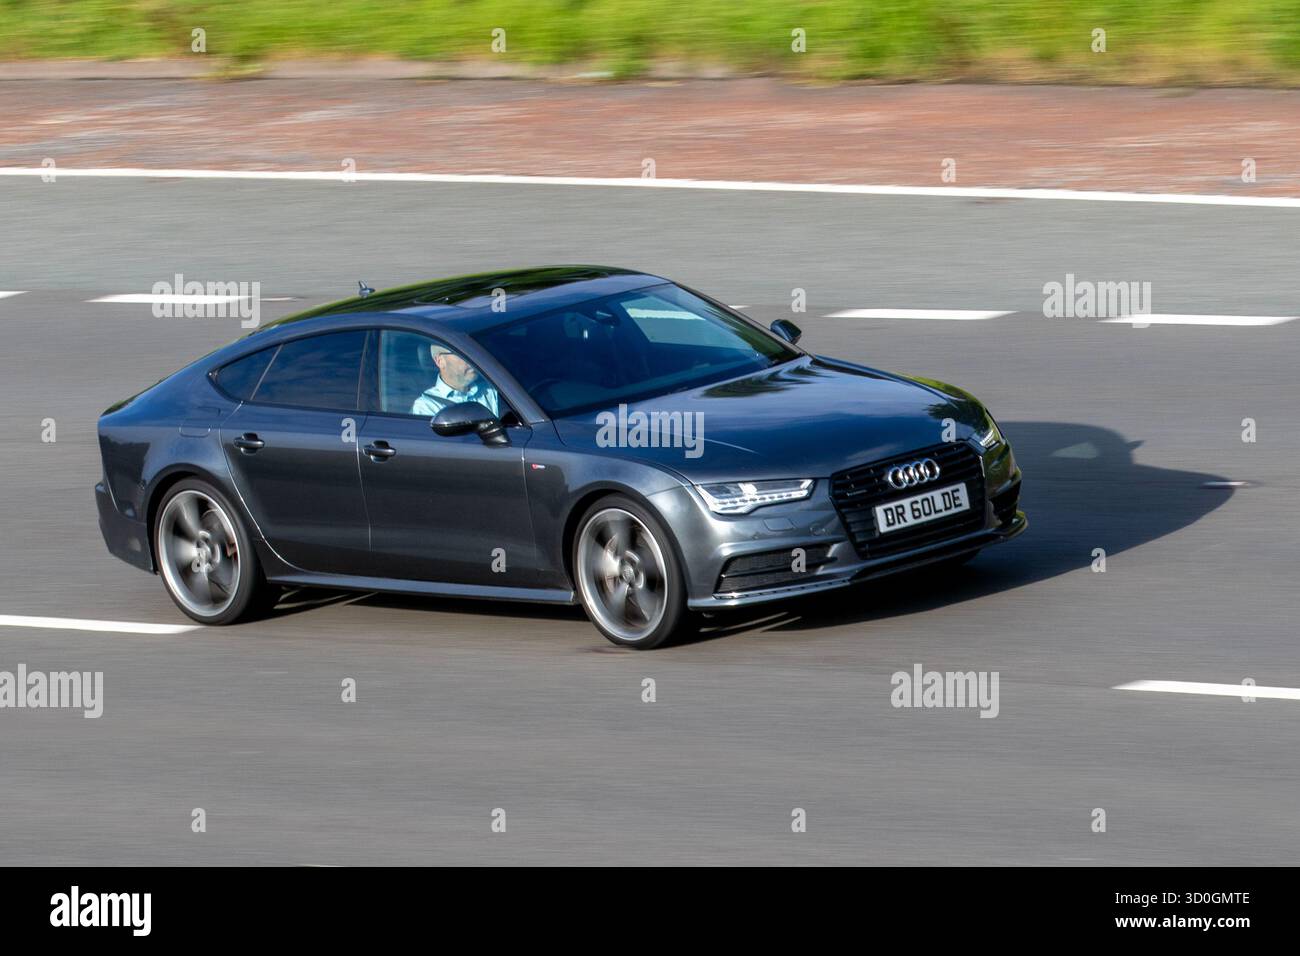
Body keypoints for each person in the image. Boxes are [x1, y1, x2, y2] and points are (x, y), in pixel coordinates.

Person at [411, 343, 501, 417]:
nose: (471, 359)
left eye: (472, 353)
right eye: (461, 354)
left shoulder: (492, 388)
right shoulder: (427, 405)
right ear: (440, 361)